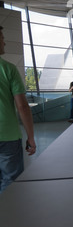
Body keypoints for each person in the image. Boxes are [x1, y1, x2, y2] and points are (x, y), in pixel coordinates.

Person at [0, 26, 36, 194]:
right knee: (10, 184)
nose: (4, 42)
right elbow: (22, 106)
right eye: (2, 38)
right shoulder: (9, 69)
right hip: (8, 136)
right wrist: (31, 137)